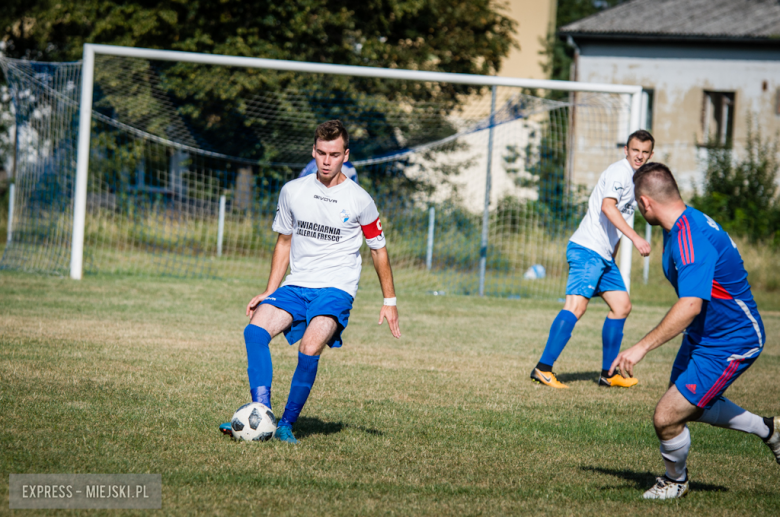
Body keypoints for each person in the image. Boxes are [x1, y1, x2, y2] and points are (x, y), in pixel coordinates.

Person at [220, 119, 401, 444]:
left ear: (345, 155)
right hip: (296, 285)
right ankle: (261, 414)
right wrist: (270, 291)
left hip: (335, 290)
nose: (327, 160)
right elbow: (284, 242)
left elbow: (378, 250)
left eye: (334, 154)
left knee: (310, 346)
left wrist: (390, 301)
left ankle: (287, 424)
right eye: (321, 153)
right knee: (254, 331)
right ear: (313, 152)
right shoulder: (293, 190)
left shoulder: (360, 199)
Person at [610, 162, 779, 499]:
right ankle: (769, 429)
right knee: (688, 403)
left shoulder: (690, 237)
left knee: (667, 415)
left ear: (645, 204)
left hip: (732, 339)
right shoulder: (680, 223)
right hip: (706, 333)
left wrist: (639, 348)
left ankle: (675, 482)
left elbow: (690, 305)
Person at [530, 130, 654, 389]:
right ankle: (543, 369)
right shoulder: (619, 172)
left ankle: (608, 375)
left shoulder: (636, 181)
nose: (639, 156)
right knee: (576, 307)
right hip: (587, 249)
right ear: (626, 150)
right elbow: (607, 208)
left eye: (645, 152)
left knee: (621, 306)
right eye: (635, 150)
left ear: (650, 154)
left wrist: (613, 256)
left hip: (603, 255)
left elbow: (619, 224)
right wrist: (637, 239)